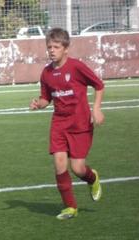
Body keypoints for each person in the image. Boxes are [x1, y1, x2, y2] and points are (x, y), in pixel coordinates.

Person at [30, 28, 104, 220]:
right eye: (49, 47)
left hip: (80, 124)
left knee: (78, 169)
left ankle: (92, 178)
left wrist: (96, 109)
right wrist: (39, 104)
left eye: (56, 47)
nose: (52, 50)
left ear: (66, 48)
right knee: (60, 165)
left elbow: (99, 85)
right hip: (59, 124)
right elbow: (46, 99)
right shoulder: (46, 73)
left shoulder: (76, 67)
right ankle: (70, 207)